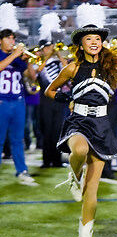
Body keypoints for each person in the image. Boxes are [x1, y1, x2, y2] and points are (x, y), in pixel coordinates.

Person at [45, 24, 117, 237]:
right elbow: (49, 91)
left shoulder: (112, 66)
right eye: (89, 38)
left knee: (92, 190)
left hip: (101, 124)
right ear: (80, 45)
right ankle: (74, 176)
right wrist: (68, 98)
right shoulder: (72, 68)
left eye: (97, 38)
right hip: (78, 121)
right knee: (80, 150)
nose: (94, 42)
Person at [0, 29, 37, 184]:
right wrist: (14, 55)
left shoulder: (17, 58)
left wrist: (27, 61)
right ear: (0, 40)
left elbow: (32, 78)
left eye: (13, 39)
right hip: (2, 102)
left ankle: (22, 170)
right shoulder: (7, 56)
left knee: (18, 139)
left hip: (18, 102)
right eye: (8, 38)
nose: (12, 41)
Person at [37, 39, 68, 168]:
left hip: (58, 99)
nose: (50, 49)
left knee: (58, 130)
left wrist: (59, 55)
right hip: (45, 100)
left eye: (51, 46)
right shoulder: (38, 61)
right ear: (42, 49)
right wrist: (47, 58)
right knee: (47, 130)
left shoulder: (58, 62)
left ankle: (57, 160)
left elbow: (67, 69)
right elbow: (37, 73)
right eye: (47, 47)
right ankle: (46, 160)